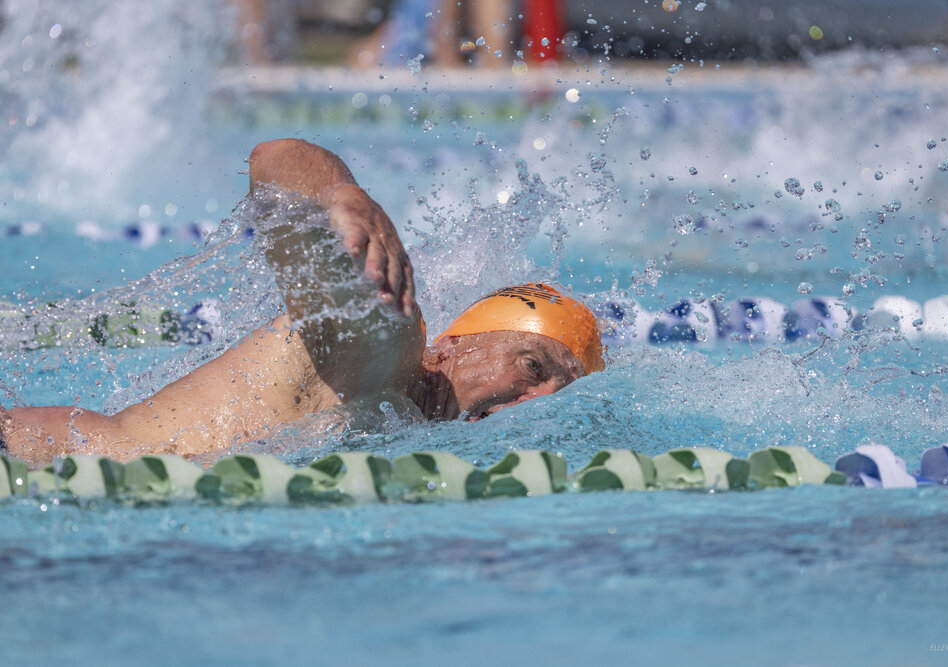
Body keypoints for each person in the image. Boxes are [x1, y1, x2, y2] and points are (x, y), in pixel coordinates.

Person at [0, 139, 604, 469]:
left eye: (559, 392)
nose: (541, 399)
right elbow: (274, 160)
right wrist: (343, 194)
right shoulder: (384, 342)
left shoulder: (414, 432)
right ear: (452, 345)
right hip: (30, 458)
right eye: (533, 367)